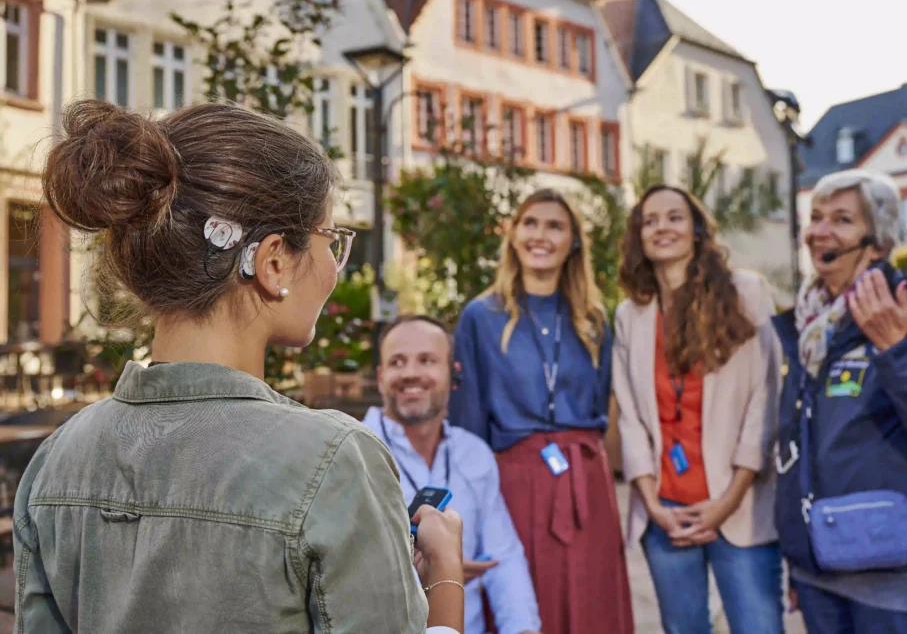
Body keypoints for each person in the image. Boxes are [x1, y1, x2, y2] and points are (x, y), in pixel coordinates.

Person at [14, 100, 465, 633]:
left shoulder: (57, 461)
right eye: (331, 240)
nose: (333, 267)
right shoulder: (333, 463)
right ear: (273, 261)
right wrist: (445, 578)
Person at [774, 169, 907, 634]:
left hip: (895, 577)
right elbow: (795, 446)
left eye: (842, 220)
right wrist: (798, 559)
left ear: (877, 243)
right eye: (816, 217)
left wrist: (896, 349)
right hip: (818, 572)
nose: (820, 231)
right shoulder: (802, 327)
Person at [449, 188, 634, 634]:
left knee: (592, 601)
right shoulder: (481, 316)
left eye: (555, 226)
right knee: (524, 599)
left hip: (586, 482)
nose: (540, 235)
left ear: (573, 242)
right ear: (513, 235)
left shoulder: (593, 319)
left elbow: (600, 405)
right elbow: (467, 422)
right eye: (530, 223)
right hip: (514, 481)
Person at [613, 185, 783, 634]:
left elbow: (765, 401)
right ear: (638, 236)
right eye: (650, 221)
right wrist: (652, 504)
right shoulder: (630, 315)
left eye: (674, 217)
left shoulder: (746, 292)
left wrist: (727, 502)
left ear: (696, 229)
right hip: (666, 511)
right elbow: (630, 417)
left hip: (737, 504)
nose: (662, 227)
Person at [364, 314, 543, 634]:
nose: (411, 373)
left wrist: (523, 629)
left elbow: (505, 558)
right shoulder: (350, 454)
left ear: (453, 373)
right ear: (380, 377)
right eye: (397, 362)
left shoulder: (475, 454)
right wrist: (439, 570)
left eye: (427, 360)